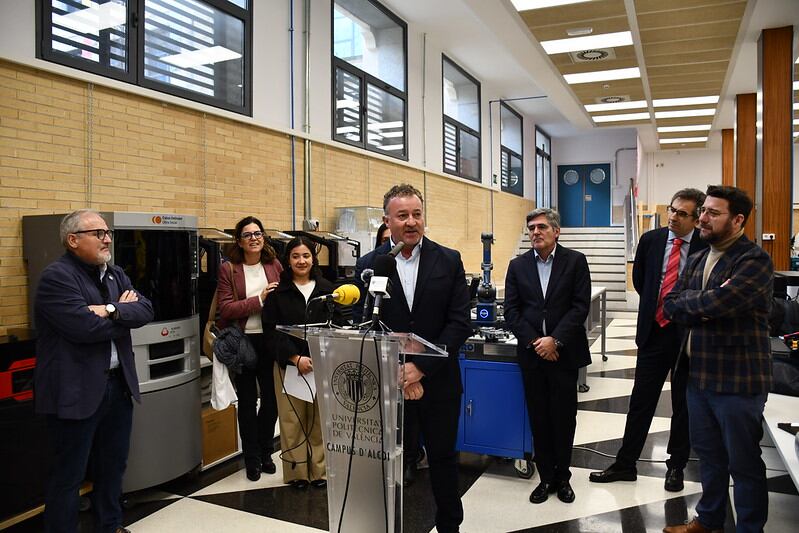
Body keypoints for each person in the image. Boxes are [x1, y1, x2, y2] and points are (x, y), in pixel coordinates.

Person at [353, 183, 472, 533]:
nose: (410, 222)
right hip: (387, 386)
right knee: (385, 464)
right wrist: (398, 374)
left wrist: (419, 369)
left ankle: (450, 526)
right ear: (387, 220)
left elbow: (459, 323)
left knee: (442, 460)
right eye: (402, 215)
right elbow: (364, 327)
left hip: (439, 383)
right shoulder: (370, 265)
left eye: (416, 214)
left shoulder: (448, 260)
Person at [34, 209, 154, 533]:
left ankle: (110, 526)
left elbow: (145, 310)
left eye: (107, 233)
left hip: (118, 387)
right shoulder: (56, 277)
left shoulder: (115, 274)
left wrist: (111, 310)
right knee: (68, 476)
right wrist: (123, 316)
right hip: (75, 392)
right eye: (97, 233)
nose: (107, 238)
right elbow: (84, 329)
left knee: (112, 468)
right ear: (73, 240)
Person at [663, 185, 772, 533]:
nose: (703, 219)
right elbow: (672, 303)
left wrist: (702, 304)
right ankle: (708, 520)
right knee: (709, 457)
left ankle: (749, 528)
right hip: (698, 377)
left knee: (743, 464)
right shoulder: (697, 257)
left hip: (737, 381)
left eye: (713, 213)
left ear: (737, 219)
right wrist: (705, 303)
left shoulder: (753, 260)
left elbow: (721, 304)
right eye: (703, 211)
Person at [590, 188, 708, 492]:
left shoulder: (705, 246)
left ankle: (676, 466)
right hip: (654, 331)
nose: (673, 217)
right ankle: (626, 463)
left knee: (682, 404)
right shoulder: (651, 240)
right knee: (641, 401)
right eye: (672, 209)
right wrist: (661, 309)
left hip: (687, 336)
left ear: (696, 218)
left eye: (682, 213)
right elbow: (641, 281)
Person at [503, 207, 591, 505]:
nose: (535, 232)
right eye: (531, 228)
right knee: (539, 418)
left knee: (564, 418)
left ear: (556, 231)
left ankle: (563, 477)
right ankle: (546, 478)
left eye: (541, 227)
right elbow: (511, 311)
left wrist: (555, 340)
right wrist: (536, 342)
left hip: (564, 355)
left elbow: (580, 307)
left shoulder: (575, 261)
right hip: (532, 356)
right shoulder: (517, 266)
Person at [263, 236, 339, 489]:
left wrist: (319, 357)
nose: (301, 261)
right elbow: (271, 331)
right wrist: (296, 358)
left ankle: (320, 472)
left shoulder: (328, 289)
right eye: (295, 256)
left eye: (306, 255)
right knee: (292, 421)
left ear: (313, 258)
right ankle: (297, 473)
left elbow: (339, 327)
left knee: (320, 420)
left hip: (322, 365)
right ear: (288, 260)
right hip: (289, 366)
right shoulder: (277, 293)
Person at [217, 216, 282, 482]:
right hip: (242, 342)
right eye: (247, 235)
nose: (254, 238)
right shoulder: (229, 269)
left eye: (258, 233)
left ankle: (267, 452)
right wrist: (260, 300)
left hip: (270, 341)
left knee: (271, 400)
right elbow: (227, 309)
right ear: (239, 241)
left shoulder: (274, 265)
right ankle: (251, 458)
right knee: (246, 402)